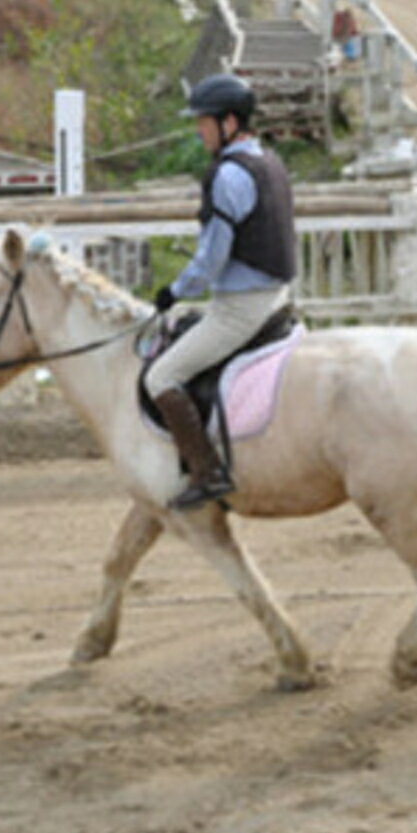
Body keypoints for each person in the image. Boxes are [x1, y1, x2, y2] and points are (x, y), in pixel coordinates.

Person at [145, 73, 297, 510]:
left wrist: (174, 291)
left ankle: (208, 472)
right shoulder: (269, 161)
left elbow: (211, 259)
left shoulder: (229, 175)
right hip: (277, 298)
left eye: (204, 122)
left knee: (161, 376)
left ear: (229, 122)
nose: (199, 130)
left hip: (241, 310)